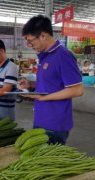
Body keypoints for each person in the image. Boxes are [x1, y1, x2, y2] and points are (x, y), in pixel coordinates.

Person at [19, 15, 83, 145]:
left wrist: (43, 98)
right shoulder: (45, 57)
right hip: (41, 118)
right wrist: (31, 84)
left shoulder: (63, 55)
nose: (30, 45)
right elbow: (52, 84)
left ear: (43, 35)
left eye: (31, 41)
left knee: (47, 162)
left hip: (54, 123)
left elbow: (77, 90)